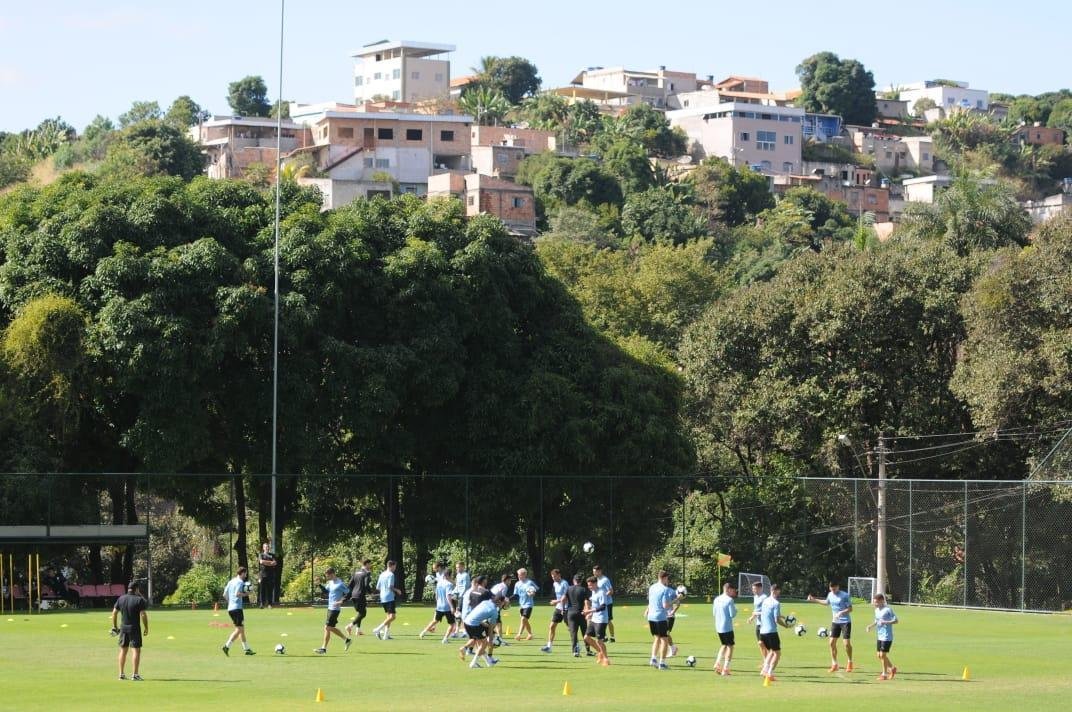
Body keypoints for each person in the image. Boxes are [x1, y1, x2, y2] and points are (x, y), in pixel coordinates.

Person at [807, 580, 854, 672]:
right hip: (835, 622)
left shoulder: (845, 595)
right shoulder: (830, 594)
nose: (833, 591)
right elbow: (826, 602)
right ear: (830, 588)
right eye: (832, 589)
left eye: (835, 589)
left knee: (846, 644)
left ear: (838, 587)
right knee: (831, 643)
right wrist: (814, 600)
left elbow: (850, 609)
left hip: (845, 622)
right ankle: (834, 664)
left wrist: (841, 612)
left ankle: (850, 662)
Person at [111, 580, 148, 680]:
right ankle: (135, 675)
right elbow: (143, 614)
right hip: (134, 628)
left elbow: (114, 613)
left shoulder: (121, 598)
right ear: (136, 589)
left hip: (123, 628)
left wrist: (114, 626)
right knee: (136, 651)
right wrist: (146, 627)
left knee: (123, 651)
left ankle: (121, 674)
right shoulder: (139, 599)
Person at [459, 592, 504, 669]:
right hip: (473, 624)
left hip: (467, 622)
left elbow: (478, 613)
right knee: (484, 643)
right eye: (503, 602)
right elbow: (491, 629)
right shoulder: (494, 611)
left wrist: (482, 623)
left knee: (478, 643)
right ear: (500, 602)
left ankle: (488, 662)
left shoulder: (486, 602)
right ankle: (473, 663)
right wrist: (490, 641)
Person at [314, 567, 352, 654]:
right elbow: (326, 592)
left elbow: (349, 593)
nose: (327, 578)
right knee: (328, 628)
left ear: (332, 574)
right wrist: (319, 584)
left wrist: (341, 601)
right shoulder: (330, 583)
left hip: (335, 609)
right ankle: (346, 640)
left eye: (328, 576)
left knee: (327, 627)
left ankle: (324, 648)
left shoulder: (340, 584)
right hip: (330, 607)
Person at [758, 583, 791, 682]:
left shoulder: (765, 601)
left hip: (762, 631)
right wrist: (786, 625)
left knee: (771, 651)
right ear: (775, 591)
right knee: (777, 653)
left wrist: (784, 617)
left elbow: (770, 614)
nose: (778, 593)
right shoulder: (776, 603)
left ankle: (764, 670)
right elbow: (776, 619)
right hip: (771, 632)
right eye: (778, 591)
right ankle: (770, 673)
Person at [644, 570, 676, 670]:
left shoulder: (652, 587)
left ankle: (653, 658)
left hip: (651, 617)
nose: (668, 580)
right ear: (663, 578)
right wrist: (676, 600)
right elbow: (665, 605)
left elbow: (650, 601)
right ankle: (662, 663)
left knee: (656, 638)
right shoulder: (665, 589)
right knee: (664, 640)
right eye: (667, 578)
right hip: (660, 617)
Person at [221, 566, 255, 656]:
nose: (246, 575)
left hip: (231, 609)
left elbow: (224, 594)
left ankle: (246, 649)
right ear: (242, 573)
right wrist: (247, 594)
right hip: (237, 609)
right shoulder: (240, 582)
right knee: (239, 629)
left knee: (241, 629)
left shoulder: (231, 581)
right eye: (245, 573)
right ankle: (226, 646)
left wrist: (230, 603)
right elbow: (237, 594)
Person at [865, 593, 898, 680]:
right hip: (880, 635)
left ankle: (884, 674)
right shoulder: (876, 610)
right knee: (879, 655)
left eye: (876, 602)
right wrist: (870, 626)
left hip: (887, 636)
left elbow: (896, 620)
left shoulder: (888, 610)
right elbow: (877, 621)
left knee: (882, 655)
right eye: (874, 602)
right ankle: (892, 668)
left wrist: (886, 622)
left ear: (882, 601)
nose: (875, 604)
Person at [420, 569, 457, 642]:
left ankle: (423, 632)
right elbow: (448, 596)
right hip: (447, 607)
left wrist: (438, 604)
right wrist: (452, 607)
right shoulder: (449, 584)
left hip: (439, 606)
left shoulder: (439, 583)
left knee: (435, 621)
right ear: (449, 575)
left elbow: (436, 595)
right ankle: (445, 639)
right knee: (452, 624)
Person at [582, 576, 610, 666]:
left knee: (599, 640)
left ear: (595, 583)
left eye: (590, 585)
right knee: (586, 637)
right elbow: (594, 605)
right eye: (588, 585)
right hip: (594, 618)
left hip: (601, 620)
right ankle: (600, 652)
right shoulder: (593, 592)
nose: (589, 587)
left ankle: (606, 659)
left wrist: (589, 611)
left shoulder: (602, 592)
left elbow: (602, 607)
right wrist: (590, 614)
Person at [712, 581, 738, 675]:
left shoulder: (716, 599)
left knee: (723, 645)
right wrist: (736, 610)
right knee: (730, 646)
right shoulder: (729, 600)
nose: (733, 592)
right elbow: (732, 614)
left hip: (718, 626)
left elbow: (714, 613)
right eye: (732, 590)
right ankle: (726, 668)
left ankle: (717, 663)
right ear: (729, 589)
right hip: (727, 627)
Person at [541, 568, 569, 653]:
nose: (553, 578)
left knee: (570, 628)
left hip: (566, 608)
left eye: (554, 576)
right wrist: (557, 603)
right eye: (552, 577)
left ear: (559, 575)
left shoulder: (565, 584)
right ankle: (549, 647)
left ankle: (577, 646)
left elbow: (566, 597)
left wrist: (556, 601)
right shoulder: (554, 584)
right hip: (558, 607)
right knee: (552, 626)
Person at [372, 560, 401, 640]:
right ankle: (377, 629)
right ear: (391, 566)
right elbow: (390, 587)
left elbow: (378, 587)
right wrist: (397, 590)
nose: (395, 568)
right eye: (395, 566)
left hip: (383, 597)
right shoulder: (391, 574)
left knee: (388, 616)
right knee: (392, 617)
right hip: (389, 597)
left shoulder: (382, 574)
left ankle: (386, 635)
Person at [565, 573, 591, 657]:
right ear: (581, 581)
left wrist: (562, 609)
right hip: (581, 613)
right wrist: (587, 611)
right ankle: (588, 650)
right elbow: (586, 602)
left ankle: (575, 651)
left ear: (574, 580)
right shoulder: (583, 589)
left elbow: (564, 599)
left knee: (573, 633)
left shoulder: (569, 589)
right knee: (585, 632)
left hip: (571, 613)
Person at [345, 559, 372, 637]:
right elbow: (367, 585)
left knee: (360, 612)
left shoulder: (355, 573)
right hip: (360, 595)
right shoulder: (366, 573)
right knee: (363, 613)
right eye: (370, 564)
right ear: (366, 564)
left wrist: (349, 594)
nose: (370, 566)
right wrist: (370, 593)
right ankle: (349, 626)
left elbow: (350, 585)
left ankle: (358, 630)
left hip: (354, 595)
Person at [745, 580, 769, 662]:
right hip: (758, 623)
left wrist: (756, 613)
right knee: (760, 643)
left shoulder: (765, 598)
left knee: (763, 643)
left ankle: (769, 661)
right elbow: (756, 610)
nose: (753, 590)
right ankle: (765, 660)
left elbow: (767, 611)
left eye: (754, 589)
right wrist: (752, 617)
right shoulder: (755, 597)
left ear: (760, 588)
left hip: (765, 624)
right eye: (753, 589)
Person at [513, 568, 539, 641]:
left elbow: (535, 590)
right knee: (525, 620)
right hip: (521, 604)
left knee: (523, 619)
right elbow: (516, 594)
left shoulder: (529, 582)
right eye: (518, 574)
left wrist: (532, 593)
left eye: (520, 574)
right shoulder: (517, 584)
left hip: (528, 604)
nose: (518, 576)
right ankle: (530, 634)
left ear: (524, 575)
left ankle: (519, 635)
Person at [592, 565, 616, 642]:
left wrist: (603, 596)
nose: (594, 573)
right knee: (599, 620)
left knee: (608, 620)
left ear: (600, 571)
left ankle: (612, 637)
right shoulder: (595, 580)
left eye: (595, 572)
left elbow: (611, 591)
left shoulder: (605, 580)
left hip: (607, 603)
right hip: (598, 604)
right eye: (593, 572)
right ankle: (604, 636)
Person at [452, 562, 471, 638]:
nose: (457, 569)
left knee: (460, 614)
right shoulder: (458, 575)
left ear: (463, 567)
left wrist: (460, 596)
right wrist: (453, 593)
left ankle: (463, 631)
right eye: (456, 567)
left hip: (464, 597)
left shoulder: (466, 575)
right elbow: (457, 586)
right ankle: (458, 631)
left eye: (459, 567)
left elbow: (465, 587)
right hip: (458, 596)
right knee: (458, 614)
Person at [257, 542, 278, 608]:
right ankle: (262, 604)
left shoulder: (272, 555)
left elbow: (275, 563)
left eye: (268, 547)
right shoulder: (261, 555)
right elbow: (261, 562)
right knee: (262, 590)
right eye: (265, 547)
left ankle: (270, 604)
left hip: (271, 575)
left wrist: (266, 562)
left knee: (270, 590)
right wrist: (270, 563)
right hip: (262, 575)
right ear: (263, 548)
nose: (267, 548)